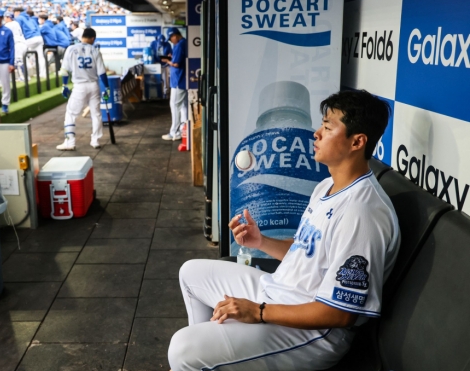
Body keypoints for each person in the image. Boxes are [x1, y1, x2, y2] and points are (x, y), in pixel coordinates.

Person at [168, 90, 400, 371]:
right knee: (191, 273)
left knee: (183, 348)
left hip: (312, 333)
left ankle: (207, 356)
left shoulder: (363, 212)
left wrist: (258, 312)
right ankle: (217, 358)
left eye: (327, 127)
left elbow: (340, 314)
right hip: (279, 291)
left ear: (357, 141)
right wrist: (261, 241)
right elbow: (306, 251)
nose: (316, 133)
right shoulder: (325, 186)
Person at [56, 27, 110, 151]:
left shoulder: (71, 49)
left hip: (79, 86)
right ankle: (95, 140)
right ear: (93, 38)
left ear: (82, 37)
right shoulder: (95, 51)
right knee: (96, 114)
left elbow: (64, 71)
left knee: (71, 114)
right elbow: (102, 73)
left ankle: (70, 142)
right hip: (93, 85)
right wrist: (106, 88)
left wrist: (64, 85)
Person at [161, 27, 187, 141]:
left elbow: (176, 64)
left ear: (175, 35)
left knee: (175, 105)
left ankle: (174, 132)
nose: (171, 41)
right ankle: (183, 130)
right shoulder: (184, 43)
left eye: (171, 38)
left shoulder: (180, 45)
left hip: (178, 80)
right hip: (182, 80)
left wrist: (167, 61)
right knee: (183, 106)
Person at [0, 8, 15, 115]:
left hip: (3, 60)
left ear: (1, 17)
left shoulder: (7, 31)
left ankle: (5, 104)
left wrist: (11, 63)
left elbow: (12, 48)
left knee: (5, 83)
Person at [13, 7, 45, 79]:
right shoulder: (31, 18)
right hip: (39, 37)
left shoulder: (19, 18)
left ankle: (26, 74)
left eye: (14, 13)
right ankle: (43, 73)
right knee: (40, 57)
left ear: (17, 12)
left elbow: (18, 30)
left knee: (20, 54)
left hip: (29, 39)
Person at [3, 11, 26, 81]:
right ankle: (22, 76)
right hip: (22, 43)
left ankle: (23, 77)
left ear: (8, 17)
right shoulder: (16, 23)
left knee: (19, 61)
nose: (4, 19)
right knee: (19, 61)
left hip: (17, 44)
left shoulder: (8, 25)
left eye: (5, 17)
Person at [155, 34, 172, 99]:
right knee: (158, 79)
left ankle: (166, 93)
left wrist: (167, 58)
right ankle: (159, 93)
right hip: (157, 64)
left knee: (166, 80)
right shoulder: (154, 43)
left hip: (165, 64)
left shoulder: (167, 44)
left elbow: (170, 55)